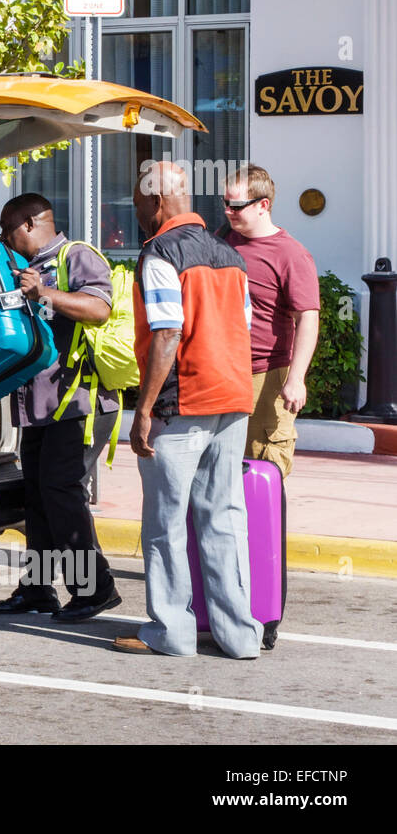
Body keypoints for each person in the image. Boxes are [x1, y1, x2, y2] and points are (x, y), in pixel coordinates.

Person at [114, 162, 263, 658]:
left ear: (157, 202)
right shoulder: (229, 254)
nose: (137, 214)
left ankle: (171, 632)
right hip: (233, 400)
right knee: (223, 518)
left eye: (138, 205)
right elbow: (243, 331)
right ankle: (239, 635)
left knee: (165, 523)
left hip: (182, 406)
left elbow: (167, 332)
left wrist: (144, 411)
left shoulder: (160, 252)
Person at [0, 193, 122, 622]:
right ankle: (37, 590)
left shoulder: (75, 256)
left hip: (79, 403)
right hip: (41, 405)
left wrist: (44, 291)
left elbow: (99, 308)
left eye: (7, 231)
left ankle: (95, 589)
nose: (5, 241)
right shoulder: (24, 270)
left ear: (28, 224)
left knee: (63, 495)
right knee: (38, 499)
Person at [222, 165, 319, 476]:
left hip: (266, 375)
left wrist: (296, 379)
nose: (228, 212)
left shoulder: (291, 254)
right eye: (225, 204)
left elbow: (307, 318)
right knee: (223, 470)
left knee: (262, 469)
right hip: (223, 371)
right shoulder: (223, 241)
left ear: (263, 205)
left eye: (236, 205)